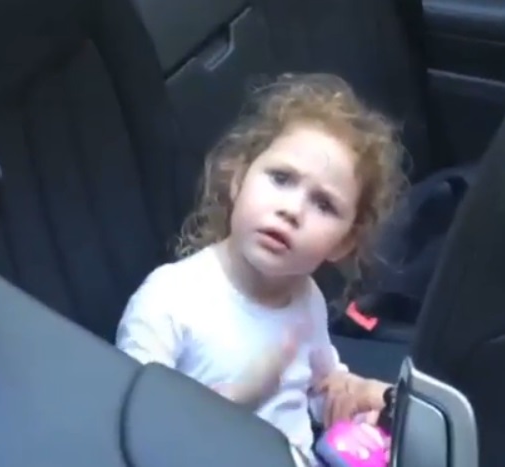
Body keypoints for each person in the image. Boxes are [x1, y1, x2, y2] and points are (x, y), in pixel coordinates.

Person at [115, 73, 407, 462]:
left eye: (323, 204)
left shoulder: (306, 297)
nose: (292, 210)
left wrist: (359, 394)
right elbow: (135, 432)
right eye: (281, 178)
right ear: (238, 179)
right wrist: (244, 397)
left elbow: (320, 388)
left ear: (342, 243)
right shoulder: (168, 301)